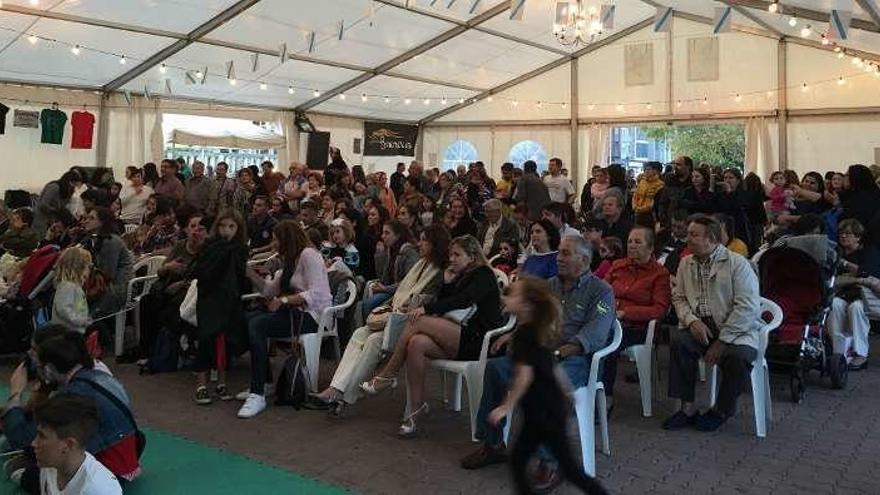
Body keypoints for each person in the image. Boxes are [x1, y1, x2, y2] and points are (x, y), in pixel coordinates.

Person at [460, 235, 614, 488]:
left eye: (565, 254)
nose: (558, 258)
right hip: (541, 353)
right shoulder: (549, 285)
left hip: (574, 359)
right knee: (496, 369)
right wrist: (515, 334)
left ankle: (548, 463)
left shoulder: (601, 291)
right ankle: (493, 443)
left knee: (544, 386)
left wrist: (558, 353)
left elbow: (594, 335)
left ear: (584, 260)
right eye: (559, 253)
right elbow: (531, 319)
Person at [362, 235, 504, 437]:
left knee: (417, 320)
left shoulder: (483, 275)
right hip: (459, 334)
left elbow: (463, 301)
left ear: (472, 257)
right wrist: (446, 282)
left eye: (457, 255)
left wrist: (426, 308)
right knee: (416, 343)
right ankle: (415, 410)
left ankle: (387, 374)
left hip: (479, 340)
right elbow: (449, 301)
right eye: (450, 254)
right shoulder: (462, 274)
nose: (452, 259)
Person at [308, 225, 449, 417]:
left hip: (414, 322)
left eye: (424, 240)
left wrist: (405, 303)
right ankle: (337, 390)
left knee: (374, 341)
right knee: (359, 333)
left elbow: (431, 300)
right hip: (398, 315)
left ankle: (340, 395)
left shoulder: (440, 272)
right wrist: (392, 303)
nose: (420, 243)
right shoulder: (421, 264)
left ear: (435, 243)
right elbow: (403, 290)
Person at [488, 277, 608, 495]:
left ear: (526, 304)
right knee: (519, 460)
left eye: (511, 293)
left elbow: (524, 376)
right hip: (543, 410)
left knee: (570, 470)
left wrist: (505, 407)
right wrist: (567, 391)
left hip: (545, 412)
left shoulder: (526, 335)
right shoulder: (536, 330)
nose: (505, 296)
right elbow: (552, 366)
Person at [4, 332, 140, 490]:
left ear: (48, 369)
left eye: (39, 366)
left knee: (17, 467)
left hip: (112, 467)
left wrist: (15, 392)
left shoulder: (72, 394)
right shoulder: (96, 374)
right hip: (127, 458)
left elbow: (21, 439)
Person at [663, 214, 761, 432]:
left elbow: (747, 308)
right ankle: (686, 408)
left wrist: (723, 341)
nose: (687, 238)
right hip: (701, 327)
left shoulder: (738, 265)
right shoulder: (685, 263)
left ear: (712, 239)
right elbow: (678, 297)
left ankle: (722, 410)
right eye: (688, 234)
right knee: (679, 341)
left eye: (693, 235)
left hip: (736, 329)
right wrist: (691, 321)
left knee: (739, 357)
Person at [237, 220, 331, 419]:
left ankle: (257, 393)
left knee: (257, 324)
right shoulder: (289, 261)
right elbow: (270, 290)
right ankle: (265, 382)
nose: (273, 244)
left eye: (276, 239)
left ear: (286, 239)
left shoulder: (309, 255)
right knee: (247, 319)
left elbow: (319, 294)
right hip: (293, 313)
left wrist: (285, 300)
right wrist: (249, 272)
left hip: (311, 316)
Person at [601, 227, 670, 405]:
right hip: (608, 319)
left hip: (637, 328)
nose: (631, 245)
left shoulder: (659, 274)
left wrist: (626, 313)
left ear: (650, 248)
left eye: (637, 242)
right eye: (630, 241)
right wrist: (605, 310)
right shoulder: (618, 266)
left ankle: (604, 397)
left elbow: (659, 309)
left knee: (606, 343)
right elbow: (600, 294)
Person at [192, 210, 250, 405]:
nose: (227, 230)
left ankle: (222, 383)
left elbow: (241, 274)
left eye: (231, 226)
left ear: (238, 229)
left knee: (226, 341)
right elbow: (202, 272)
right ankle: (201, 384)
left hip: (230, 299)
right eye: (223, 226)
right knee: (206, 339)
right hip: (209, 298)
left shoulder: (240, 249)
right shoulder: (209, 247)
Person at [33, 394, 123, 495]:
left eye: (42, 436)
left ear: (68, 444)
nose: (34, 443)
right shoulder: (50, 465)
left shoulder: (99, 490)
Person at [828, 219, 880, 371]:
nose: (843, 236)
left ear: (858, 237)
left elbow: (868, 274)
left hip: (864, 296)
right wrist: (854, 279)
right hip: (843, 294)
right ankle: (839, 350)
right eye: (841, 233)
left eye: (848, 234)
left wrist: (845, 266)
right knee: (834, 304)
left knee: (856, 308)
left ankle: (861, 354)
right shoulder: (836, 252)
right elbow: (832, 279)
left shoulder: (868, 252)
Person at [79, 207, 134, 318]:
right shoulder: (90, 239)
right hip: (100, 282)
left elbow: (107, 274)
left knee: (78, 298)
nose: (86, 221)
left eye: (92, 218)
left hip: (117, 287)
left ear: (102, 222)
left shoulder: (111, 241)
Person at [50, 247, 93, 335]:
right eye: (88, 266)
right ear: (78, 267)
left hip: (74, 331)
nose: (89, 270)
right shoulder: (67, 287)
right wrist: (81, 321)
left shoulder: (74, 287)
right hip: (67, 333)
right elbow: (63, 309)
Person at [34, 171, 81, 237]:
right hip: (42, 220)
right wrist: (56, 210)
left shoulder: (68, 191)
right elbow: (43, 205)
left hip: (53, 220)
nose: (74, 187)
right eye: (73, 184)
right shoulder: (54, 187)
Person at [632, 161, 665, 227]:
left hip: (650, 215)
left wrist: (642, 209)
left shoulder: (660, 184)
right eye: (645, 169)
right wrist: (634, 206)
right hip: (638, 213)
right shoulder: (642, 182)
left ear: (655, 171)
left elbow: (654, 201)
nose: (645, 171)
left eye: (648, 169)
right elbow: (635, 196)